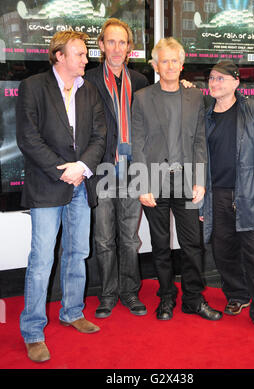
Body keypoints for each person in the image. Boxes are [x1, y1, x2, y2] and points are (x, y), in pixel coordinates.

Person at [16, 31, 107, 362]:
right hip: (47, 185)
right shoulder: (34, 87)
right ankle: (33, 331)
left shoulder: (90, 91)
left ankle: (72, 311)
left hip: (80, 184)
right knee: (42, 260)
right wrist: (61, 170)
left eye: (85, 54)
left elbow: (100, 136)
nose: (86, 59)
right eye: (80, 54)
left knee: (78, 252)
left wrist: (82, 167)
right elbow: (28, 138)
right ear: (59, 56)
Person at [131, 37, 222, 322]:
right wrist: (142, 184)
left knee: (193, 244)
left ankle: (193, 299)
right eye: (164, 60)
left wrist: (200, 180)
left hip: (186, 181)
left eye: (174, 60)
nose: (169, 65)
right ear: (156, 65)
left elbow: (198, 141)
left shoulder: (195, 97)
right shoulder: (143, 98)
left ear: (181, 65)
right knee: (160, 245)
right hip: (154, 180)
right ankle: (167, 298)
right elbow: (138, 144)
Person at [202, 60, 254, 337]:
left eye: (221, 78)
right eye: (211, 78)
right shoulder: (206, 115)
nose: (214, 83)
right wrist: (202, 203)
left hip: (249, 195)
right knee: (223, 252)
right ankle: (238, 293)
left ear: (236, 82)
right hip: (217, 195)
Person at [85, 18, 149, 318]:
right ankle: (108, 294)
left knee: (129, 238)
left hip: (133, 170)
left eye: (122, 42)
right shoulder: (88, 80)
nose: (116, 48)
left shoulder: (140, 82)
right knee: (103, 238)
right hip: (102, 170)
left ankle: (130, 292)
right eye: (110, 41)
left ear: (129, 48)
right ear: (101, 45)